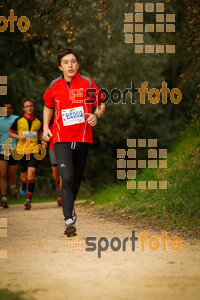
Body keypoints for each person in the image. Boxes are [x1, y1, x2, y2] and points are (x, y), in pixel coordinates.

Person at [43, 47, 105, 236]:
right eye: (66, 62)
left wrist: (96, 115)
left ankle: (70, 208)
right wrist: (46, 127)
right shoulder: (54, 86)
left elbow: (101, 104)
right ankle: (68, 220)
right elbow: (48, 106)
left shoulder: (87, 83)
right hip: (60, 138)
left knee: (76, 180)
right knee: (66, 178)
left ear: (78, 64)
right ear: (60, 67)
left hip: (83, 137)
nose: (70, 65)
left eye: (73, 62)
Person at [9, 97, 44, 210]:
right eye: (27, 106)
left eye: (31, 106)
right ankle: (23, 184)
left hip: (34, 151)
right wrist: (19, 136)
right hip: (21, 151)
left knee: (31, 173)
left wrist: (43, 141)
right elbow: (10, 134)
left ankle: (28, 200)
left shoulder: (38, 122)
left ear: (33, 107)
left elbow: (40, 134)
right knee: (23, 176)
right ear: (23, 108)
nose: (29, 108)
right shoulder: (19, 120)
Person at [0, 100, 18, 208]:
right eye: (5, 108)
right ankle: (4, 196)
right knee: (2, 174)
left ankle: (13, 186)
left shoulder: (17, 119)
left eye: (9, 108)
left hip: (14, 150)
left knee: (11, 175)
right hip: (2, 149)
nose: (7, 110)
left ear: (12, 109)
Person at [49, 119, 62, 206]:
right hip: (52, 147)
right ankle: (57, 183)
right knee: (55, 173)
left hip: (63, 147)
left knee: (63, 173)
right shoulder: (50, 121)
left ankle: (61, 196)